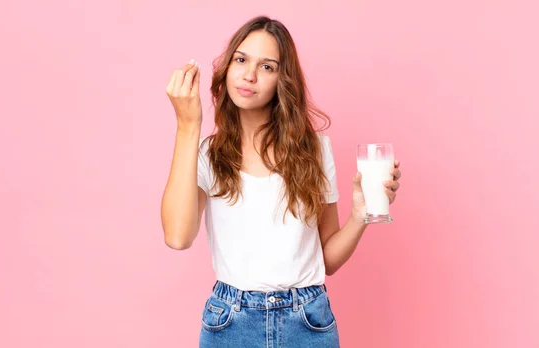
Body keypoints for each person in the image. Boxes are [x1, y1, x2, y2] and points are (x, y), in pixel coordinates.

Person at [161, 15, 401, 348]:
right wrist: (188, 126)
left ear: (282, 80)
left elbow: (327, 260)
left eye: (267, 67)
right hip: (231, 323)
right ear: (227, 67)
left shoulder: (315, 150)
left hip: (307, 321)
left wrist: (360, 215)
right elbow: (177, 236)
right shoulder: (208, 154)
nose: (249, 75)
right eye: (241, 60)